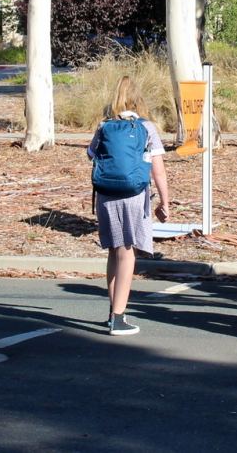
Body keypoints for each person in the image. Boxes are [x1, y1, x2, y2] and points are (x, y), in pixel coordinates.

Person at [87, 76, 170, 336]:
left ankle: (114, 312)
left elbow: (91, 154)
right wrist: (165, 202)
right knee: (127, 253)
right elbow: (158, 171)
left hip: (106, 194)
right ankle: (119, 318)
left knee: (114, 252)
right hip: (133, 195)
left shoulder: (104, 126)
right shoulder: (146, 127)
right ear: (138, 98)